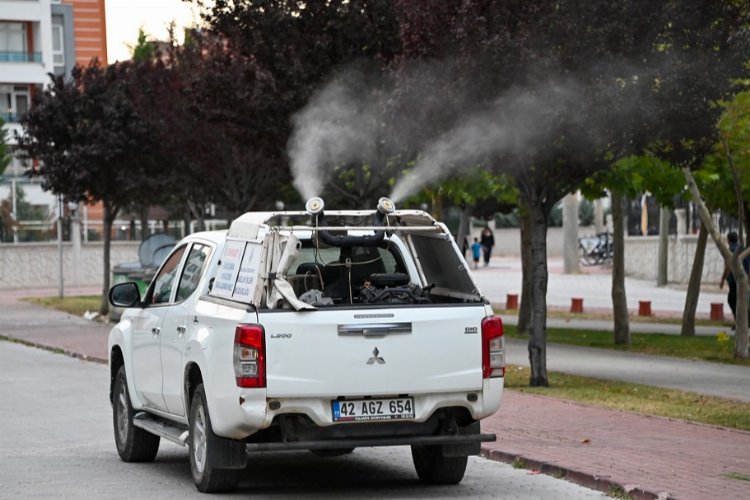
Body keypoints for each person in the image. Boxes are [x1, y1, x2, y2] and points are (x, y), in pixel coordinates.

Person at [719, 231, 750, 327]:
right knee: (742, 301)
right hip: (744, 280)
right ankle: (743, 322)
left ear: (728, 240)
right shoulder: (744, 250)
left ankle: (740, 322)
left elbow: (728, 266)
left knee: (732, 300)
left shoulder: (730, 251)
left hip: (735, 280)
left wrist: (722, 279)